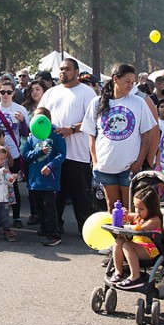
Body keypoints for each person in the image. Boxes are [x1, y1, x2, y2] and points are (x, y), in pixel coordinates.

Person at [83, 63, 159, 220]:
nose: (130, 86)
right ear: (115, 79)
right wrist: (96, 161)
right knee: (112, 207)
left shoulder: (138, 103)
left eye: (133, 82)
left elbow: (146, 134)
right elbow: (92, 135)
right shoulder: (97, 103)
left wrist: (140, 161)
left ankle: (130, 242)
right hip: (106, 166)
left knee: (130, 208)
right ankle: (116, 241)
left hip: (129, 167)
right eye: (127, 81)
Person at [38, 57, 98, 234]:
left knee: (82, 197)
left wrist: (71, 129)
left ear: (77, 72)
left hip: (77, 154)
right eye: (61, 69)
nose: (63, 72)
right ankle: (54, 227)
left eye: (68, 69)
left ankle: (88, 232)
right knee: (55, 196)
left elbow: (93, 121)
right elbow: (39, 117)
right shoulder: (51, 93)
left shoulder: (87, 93)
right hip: (54, 155)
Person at [0, 78, 29, 226]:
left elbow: (25, 133)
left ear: (13, 93)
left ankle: (16, 217)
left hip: (14, 154)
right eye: (2, 91)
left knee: (13, 185)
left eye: (9, 92)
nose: (5, 94)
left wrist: (22, 121)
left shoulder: (20, 109)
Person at [21, 106, 65, 247]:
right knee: (39, 207)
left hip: (50, 180)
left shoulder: (56, 134)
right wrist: (39, 151)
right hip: (35, 180)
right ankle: (44, 228)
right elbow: (26, 154)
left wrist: (50, 165)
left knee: (49, 207)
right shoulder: (31, 136)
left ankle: (54, 234)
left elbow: (61, 154)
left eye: (41, 118)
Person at [109, 189, 163, 290]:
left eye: (141, 209)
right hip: (136, 246)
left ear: (151, 208)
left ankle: (135, 276)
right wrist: (122, 215)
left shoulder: (154, 220)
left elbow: (140, 228)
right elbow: (126, 218)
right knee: (119, 241)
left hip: (150, 250)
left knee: (127, 245)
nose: (137, 211)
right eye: (136, 207)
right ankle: (118, 272)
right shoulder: (138, 216)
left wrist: (129, 224)